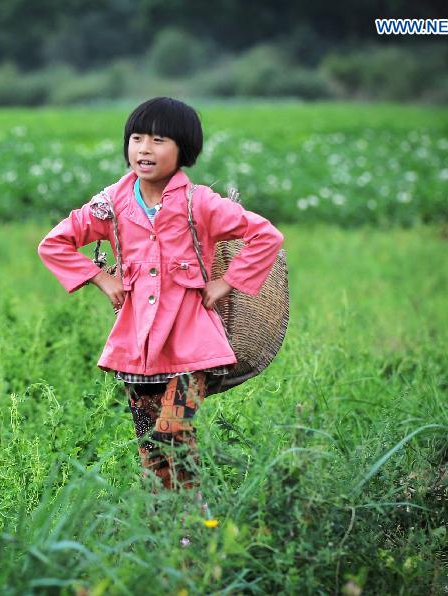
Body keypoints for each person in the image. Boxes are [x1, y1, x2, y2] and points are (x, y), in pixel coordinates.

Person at [37, 97, 284, 509]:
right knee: (151, 443)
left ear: (182, 150)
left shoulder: (199, 204)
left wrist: (226, 283)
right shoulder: (111, 204)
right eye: (136, 139)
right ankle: (164, 523)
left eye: (158, 139)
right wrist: (100, 277)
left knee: (174, 430)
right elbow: (54, 243)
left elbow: (266, 236)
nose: (144, 149)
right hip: (137, 351)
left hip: (192, 347)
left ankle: (193, 520)